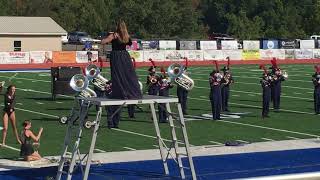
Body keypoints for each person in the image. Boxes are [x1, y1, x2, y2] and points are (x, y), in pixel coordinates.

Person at [101, 20, 142, 128]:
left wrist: (107, 37)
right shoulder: (126, 36)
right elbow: (129, 44)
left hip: (116, 56)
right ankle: (129, 92)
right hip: (125, 56)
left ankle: (120, 91)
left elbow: (103, 42)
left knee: (117, 75)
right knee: (127, 75)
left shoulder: (114, 35)